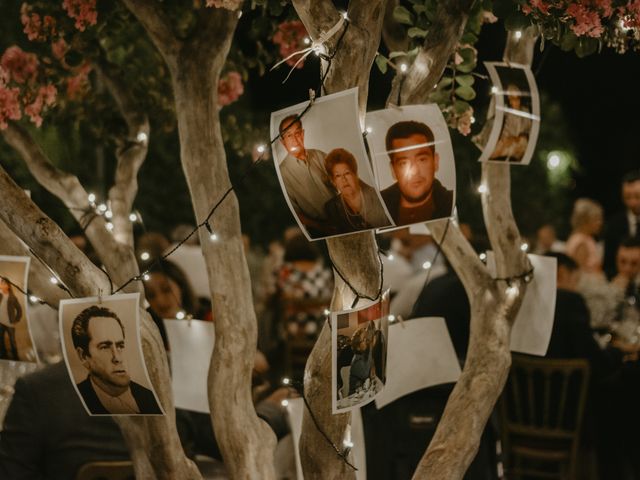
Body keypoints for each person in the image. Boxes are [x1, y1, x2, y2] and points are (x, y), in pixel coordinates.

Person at [71, 305, 162, 415]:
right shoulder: (74, 403)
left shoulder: (151, 397)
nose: (117, 358)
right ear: (83, 356)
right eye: (104, 347)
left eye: (120, 346)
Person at [380, 120, 453, 225]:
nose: (414, 171)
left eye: (422, 160)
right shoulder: (375, 208)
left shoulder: (454, 204)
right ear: (393, 170)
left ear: (435, 162)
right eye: (403, 163)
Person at [278, 115, 335, 235]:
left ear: (303, 134)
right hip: (317, 230)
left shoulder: (320, 156)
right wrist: (320, 226)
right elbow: (293, 212)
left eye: (297, 133)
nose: (295, 138)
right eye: (289, 135)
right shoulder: (283, 173)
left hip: (344, 219)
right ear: (283, 142)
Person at [323, 148, 391, 233]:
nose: (344, 179)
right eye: (338, 176)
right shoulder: (332, 208)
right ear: (333, 182)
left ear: (355, 174)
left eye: (347, 173)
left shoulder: (377, 197)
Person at [604, 170, 640, 278]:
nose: (632, 202)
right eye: (627, 197)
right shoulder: (614, 224)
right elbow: (608, 262)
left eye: (638, 197)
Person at [489, 83, 532, 162]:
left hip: (519, 142)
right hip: (505, 141)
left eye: (517, 98)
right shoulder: (507, 112)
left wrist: (519, 138)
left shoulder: (525, 111)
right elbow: (492, 115)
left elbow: (528, 129)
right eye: (512, 99)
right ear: (510, 100)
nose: (515, 101)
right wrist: (495, 96)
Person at [0, 277, 22, 360]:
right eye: (1, 283)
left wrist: (16, 319)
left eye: (3, 283)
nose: (1, 284)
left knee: (12, 340)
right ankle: (3, 355)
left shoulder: (13, 297)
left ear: (8, 286)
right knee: (1, 340)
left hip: (10, 323)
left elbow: (19, 309)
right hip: (0, 322)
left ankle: (15, 356)